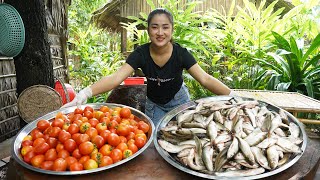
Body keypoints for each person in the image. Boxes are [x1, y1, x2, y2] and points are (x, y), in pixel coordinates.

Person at [62, 8, 234, 125]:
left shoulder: (181, 54)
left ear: (172, 30)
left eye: (165, 27)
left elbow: (205, 79)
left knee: (182, 135)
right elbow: (116, 78)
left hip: (179, 101)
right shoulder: (141, 54)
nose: (160, 33)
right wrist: (85, 93)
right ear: (148, 30)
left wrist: (233, 95)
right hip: (154, 104)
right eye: (155, 27)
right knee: (155, 141)